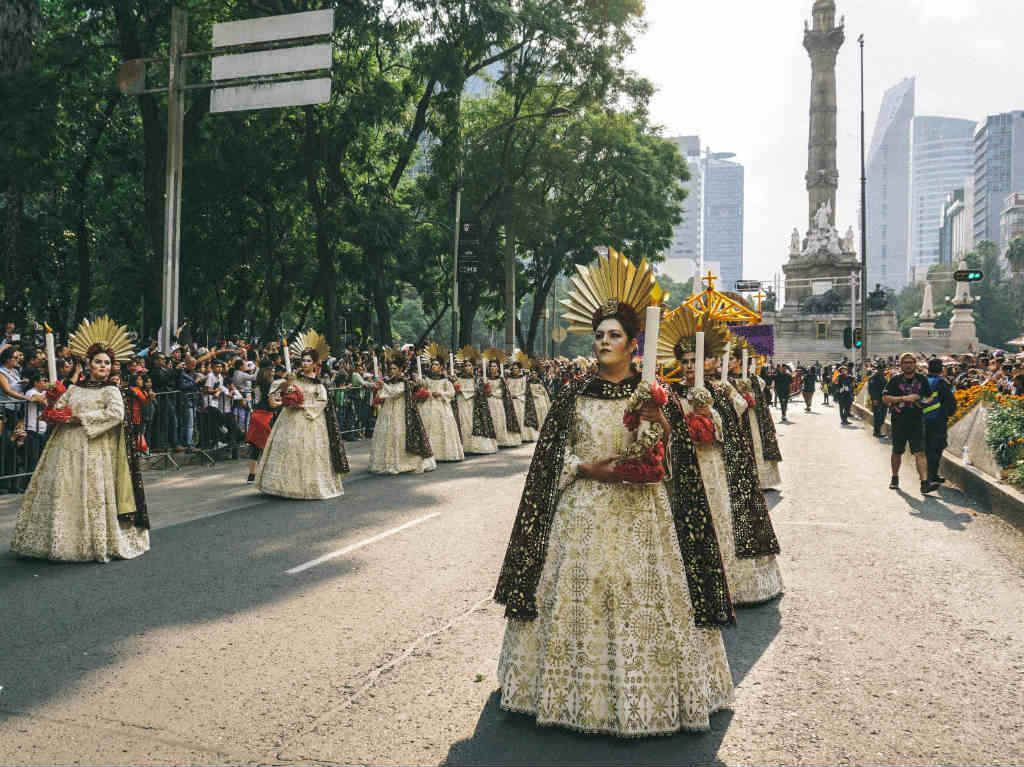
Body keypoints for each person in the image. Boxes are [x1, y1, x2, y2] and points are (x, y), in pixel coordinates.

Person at [495, 253, 734, 736]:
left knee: (641, 597)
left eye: (614, 336)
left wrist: (659, 425)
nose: (604, 342)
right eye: (599, 335)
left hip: (642, 513)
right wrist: (588, 467)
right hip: (582, 513)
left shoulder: (653, 395)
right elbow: (547, 464)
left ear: (632, 344)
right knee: (580, 596)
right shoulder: (572, 394)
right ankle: (571, 696)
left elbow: (674, 462)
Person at [11, 318, 149, 562]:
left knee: (90, 493)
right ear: (89, 363)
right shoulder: (75, 388)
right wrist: (54, 401)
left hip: (94, 448)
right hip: (64, 447)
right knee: (62, 490)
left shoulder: (111, 390)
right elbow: (58, 408)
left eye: (107, 363)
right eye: (98, 362)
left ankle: (90, 542)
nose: (103, 366)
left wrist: (81, 418)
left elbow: (116, 414)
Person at [255, 332, 348, 499]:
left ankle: (305, 486)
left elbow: (323, 401)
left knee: (308, 452)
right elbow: (276, 388)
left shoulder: (319, 383)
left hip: (311, 420)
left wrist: (305, 407)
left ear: (315, 364)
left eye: (308, 361)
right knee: (288, 448)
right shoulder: (293, 378)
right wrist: (286, 392)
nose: (304, 363)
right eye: (303, 360)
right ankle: (279, 484)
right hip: (290, 418)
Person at [882, 352, 937, 494]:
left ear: (915, 364)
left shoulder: (922, 379)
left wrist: (922, 402)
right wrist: (905, 398)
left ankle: (924, 483)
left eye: (911, 362)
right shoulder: (895, 380)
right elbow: (885, 398)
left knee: (920, 452)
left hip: (917, 420)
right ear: (901, 365)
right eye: (905, 363)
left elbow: (929, 397)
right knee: (897, 451)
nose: (908, 365)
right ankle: (894, 477)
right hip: (899, 420)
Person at [368, 360, 436, 474]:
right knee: (387, 434)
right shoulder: (389, 381)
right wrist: (379, 388)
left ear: (400, 369)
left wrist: (383, 385)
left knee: (399, 434)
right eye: (391, 369)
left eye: (394, 368)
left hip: (401, 412)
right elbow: (384, 395)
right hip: (388, 411)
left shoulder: (405, 382)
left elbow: (394, 393)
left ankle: (404, 462)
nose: (392, 371)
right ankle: (387, 461)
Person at [417, 356, 464, 462]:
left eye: (436, 364)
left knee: (443, 427)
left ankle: (444, 453)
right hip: (428, 406)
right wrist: (420, 385)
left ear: (441, 367)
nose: (434, 366)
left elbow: (451, 393)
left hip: (442, 406)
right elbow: (422, 388)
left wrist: (441, 393)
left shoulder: (445, 380)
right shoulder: (427, 379)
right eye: (433, 364)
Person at [922, 358, 956, 486]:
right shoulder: (942, 383)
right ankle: (931, 476)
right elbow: (951, 402)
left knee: (927, 448)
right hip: (937, 421)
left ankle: (929, 475)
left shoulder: (922, 381)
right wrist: (949, 415)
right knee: (936, 448)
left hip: (922, 420)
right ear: (941, 369)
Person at [454, 358, 497, 455]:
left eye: (469, 365)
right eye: (465, 365)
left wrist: (483, 387)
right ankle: (465, 447)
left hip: (474, 404)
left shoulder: (477, 379)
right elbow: (456, 390)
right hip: (462, 402)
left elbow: (480, 392)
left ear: (473, 367)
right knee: (464, 423)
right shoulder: (458, 378)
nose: (467, 367)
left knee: (472, 423)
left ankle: (475, 446)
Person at [485, 359, 521, 447]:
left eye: (494, 366)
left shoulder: (501, 379)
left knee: (499, 419)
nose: (492, 368)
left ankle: (500, 439)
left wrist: (494, 394)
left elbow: (503, 392)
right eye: (491, 366)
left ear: (497, 368)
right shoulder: (486, 378)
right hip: (489, 401)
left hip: (498, 402)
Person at [867, 362, 889, 437]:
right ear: (877, 369)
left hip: (884, 400)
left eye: (883, 369)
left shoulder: (883, 377)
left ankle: (878, 430)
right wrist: (874, 399)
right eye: (880, 369)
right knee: (877, 416)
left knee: (882, 416)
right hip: (877, 400)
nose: (882, 370)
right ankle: (876, 432)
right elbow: (871, 390)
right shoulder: (873, 378)